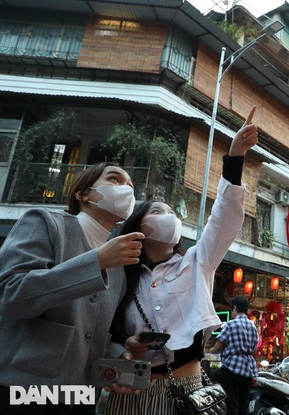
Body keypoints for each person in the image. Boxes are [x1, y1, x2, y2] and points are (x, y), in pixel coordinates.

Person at [105, 106, 258, 414]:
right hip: (130, 395)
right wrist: (126, 348)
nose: (170, 218)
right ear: (139, 226)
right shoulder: (116, 273)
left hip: (189, 391)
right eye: (159, 212)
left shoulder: (197, 261)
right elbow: (100, 333)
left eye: (172, 214)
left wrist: (236, 156)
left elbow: (224, 217)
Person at [0, 163, 144, 413]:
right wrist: (96, 262)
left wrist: (117, 354)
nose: (125, 189)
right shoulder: (45, 223)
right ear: (83, 194)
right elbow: (10, 296)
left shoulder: (119, 267)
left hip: (81, 396)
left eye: (130, 186)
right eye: (114, 179)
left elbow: (88, 332)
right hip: (23, 390)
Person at [210, 295, 259, 415]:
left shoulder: (230, 324)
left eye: (232, 309)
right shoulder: (252, 325)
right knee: (243, 406)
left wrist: (212, 350)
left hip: (231, 369)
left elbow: (218, 346)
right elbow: (254, 349)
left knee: (231, 405)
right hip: (248, 370)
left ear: (235, 308)